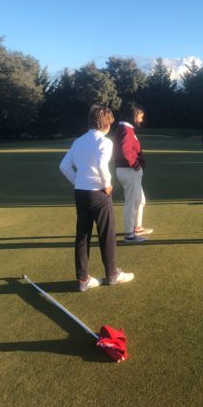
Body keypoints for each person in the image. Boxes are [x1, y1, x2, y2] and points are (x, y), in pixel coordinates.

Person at [59, 105, 134, 291]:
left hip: (80, 192)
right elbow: (101, 165)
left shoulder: (78, 141)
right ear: (107, 124)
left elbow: (64, 166)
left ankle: (83, 279)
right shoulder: (105, 142)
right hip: (98, 192)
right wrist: (107, 184)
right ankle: (112, 274)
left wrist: (78, 181)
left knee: (82, 235)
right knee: (106, 234)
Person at [113, 103, 152, 243]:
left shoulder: (126, 129)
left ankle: (137, 227)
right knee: (132, 203)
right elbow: (125, 151)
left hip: (128, 170)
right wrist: (136, 165)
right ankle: (129, 234)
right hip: (129, 170)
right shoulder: (126, 130)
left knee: (140, 200)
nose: (141, 120)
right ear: (134, 116)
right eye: (140, 116)